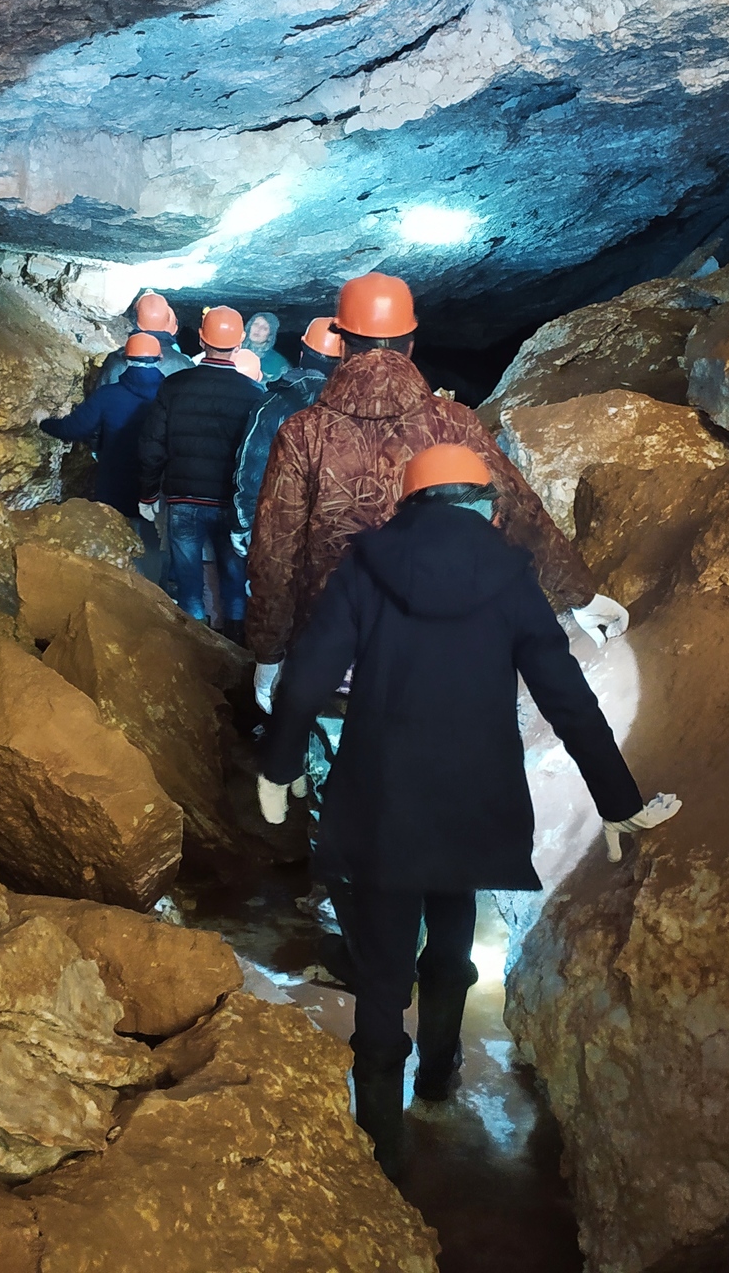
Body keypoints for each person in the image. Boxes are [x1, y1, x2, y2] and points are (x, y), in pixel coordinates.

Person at [257, 443, 679, 1176]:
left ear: (410, 502)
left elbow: (305, 680)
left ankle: (382, 1147)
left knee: (384, 968)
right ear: (484, 505)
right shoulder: (510, 579)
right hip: (472, 795)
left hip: (382, 796)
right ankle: (441, 1076)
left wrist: (280, 765)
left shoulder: (367, 567)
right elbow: (565, 696)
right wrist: (618, 797)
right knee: (451, 932)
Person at [245, 271, 630, 710]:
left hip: (337, 649)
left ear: (342, 342)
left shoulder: (303, 433)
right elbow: (520, 513)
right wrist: (580, 595)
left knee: (344, 765)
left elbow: (275, 552)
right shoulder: (455, 423)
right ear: (410, 343)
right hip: (438, 642)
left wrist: (268, 653)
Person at [137, 306, 268, 640]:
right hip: (230, 503)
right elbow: (259, 457)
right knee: (234, 575)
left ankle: (194, 648)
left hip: (183, 499)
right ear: (240, 343)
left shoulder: (173, 386)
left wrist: (148, 493)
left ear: (200, 337)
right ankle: (237, 643)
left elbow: (152, 444)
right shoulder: (255, 395)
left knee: (189, 582)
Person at [230, 316, 343, 560]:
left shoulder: (274, 402)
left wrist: (244, 521)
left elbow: (253, 463)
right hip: (336, 529)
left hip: (281, 522)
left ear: (303, 353)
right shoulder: (358, 406)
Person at [38, 332, 166, 531]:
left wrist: (43, 423)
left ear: (125, 358)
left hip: (115, 486)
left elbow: (74, 428)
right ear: (160, 358)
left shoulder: (108, 395)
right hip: (159, 488)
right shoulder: (172, 395)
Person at [101, 292, 193, 386]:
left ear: (135, 322)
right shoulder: (185, 365)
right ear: (172, 324)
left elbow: (100, 395)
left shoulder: (114, 361)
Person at [244, 310, 290, 382]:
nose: (258, 329)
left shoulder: (278, 362)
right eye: (256, 324)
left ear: (270, 336)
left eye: (264, 328)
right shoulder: (233, 352)